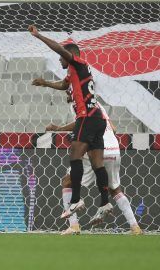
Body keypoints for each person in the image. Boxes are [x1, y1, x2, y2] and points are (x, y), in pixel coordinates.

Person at [29, 25, 111, 222]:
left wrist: (39, 35)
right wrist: (46, 83)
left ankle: (76, 200)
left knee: (75, 156)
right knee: (97, 163)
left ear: (70, 55)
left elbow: (59, 49)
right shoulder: (76, 70)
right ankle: (105, 203)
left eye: (62, 57)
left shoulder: (79, 62)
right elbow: (65, 85)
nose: (59, 59)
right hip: (98, 119)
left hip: (87, 117)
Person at [45, 93, 142, 235]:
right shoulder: (97, 105)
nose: (66, 93)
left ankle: (74, 226)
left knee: (67, 182)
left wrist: (59, 128)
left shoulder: (78, 104)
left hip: (96, 149)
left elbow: (81, 123)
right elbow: (113, 129)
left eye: (69, 90)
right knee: (114, 189)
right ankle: (135, 228)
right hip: (114, 149)